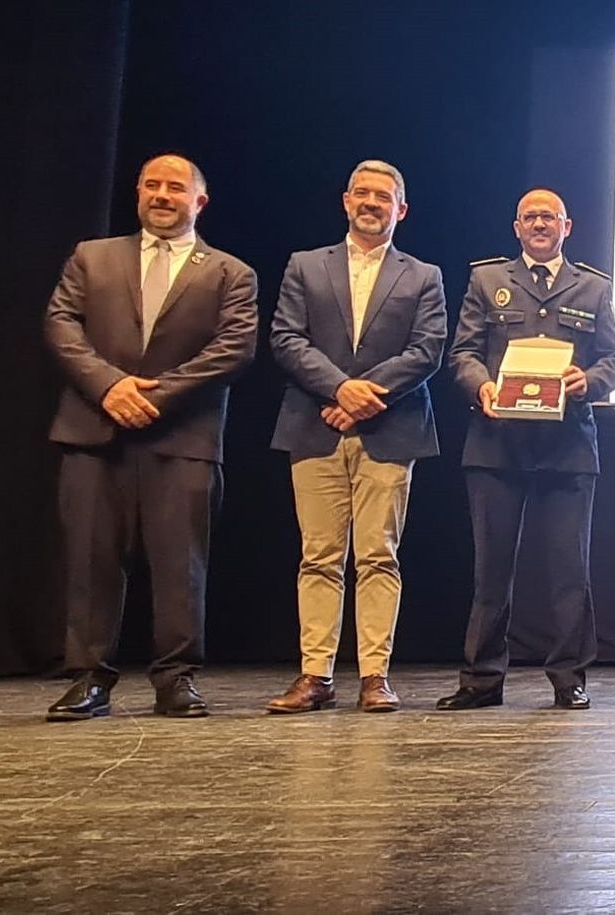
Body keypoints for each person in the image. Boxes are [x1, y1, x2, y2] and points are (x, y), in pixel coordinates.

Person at [43, 154, 258, 720]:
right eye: (152, 186)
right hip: (94, 428)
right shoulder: (92, 257)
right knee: (90, 558)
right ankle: (87, 677)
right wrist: (111, 387)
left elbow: (233, 349)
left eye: (175, 187)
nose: (162, 195)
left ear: (199, 201)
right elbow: (61, 326)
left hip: (182, 435)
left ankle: (176, 678)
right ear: (139, 193)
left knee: (180, 563)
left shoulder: (229, 272)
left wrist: (153, 395)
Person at [264, 160, 447, 714]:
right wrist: (341, 390)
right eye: (362, 194)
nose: (371, 203)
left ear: (402, 210)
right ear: (346, 200)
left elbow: (427, 349)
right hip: (314, 425)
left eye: (383, 197)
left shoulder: (423, 275)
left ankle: (374, 676)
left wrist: (366, 396)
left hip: (390, 429)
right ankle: (315, 675)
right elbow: (285, 338)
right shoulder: (304, 265)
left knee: (378, 556)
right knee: (318, 555)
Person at [437, 189, 615, 712]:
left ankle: (569, 678)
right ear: (517, 227)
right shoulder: (487, 280)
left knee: (569, 570)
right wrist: (481, 387)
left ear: (568, 226)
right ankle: (480, 679)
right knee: (491, 571)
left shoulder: (593, 287)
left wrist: (587, 380)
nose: (540, 224)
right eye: (530, 217)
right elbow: (464, 354)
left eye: (550, 217)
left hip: (568, 449)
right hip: (497, 447)